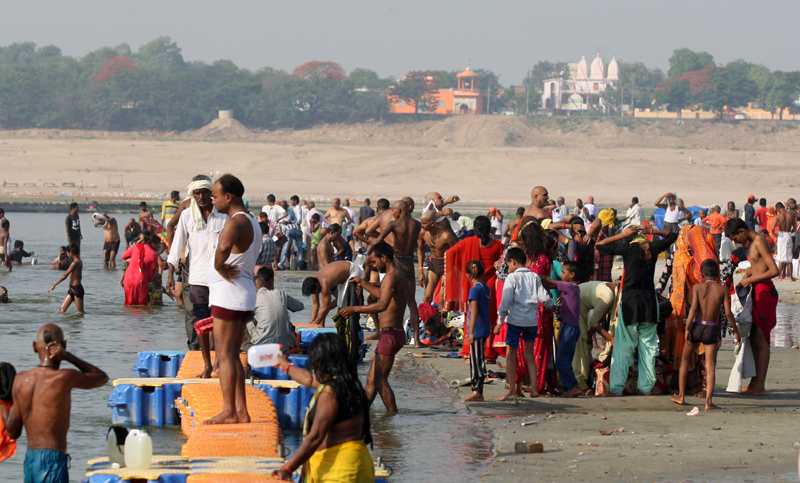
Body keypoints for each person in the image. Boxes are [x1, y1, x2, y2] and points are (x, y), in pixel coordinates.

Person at [0, 324, 108, 483]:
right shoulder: (64, 377)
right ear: (63, 345)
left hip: (30, 461)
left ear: (34, 347)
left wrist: (3, 400)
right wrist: (68, 356)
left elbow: (13, 432)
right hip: (52, 461)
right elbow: (101, 377)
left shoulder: (20, 381)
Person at [272, 333, 373, 482]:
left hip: (339, 472)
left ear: (319, 362)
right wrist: (285, 365)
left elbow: (315, 437)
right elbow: (308, 378)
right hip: (358, 464)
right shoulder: (349, 383)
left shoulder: (330, 394)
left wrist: (288, 468)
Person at [204, 174, 261, 425]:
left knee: (225, 355)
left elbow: (224, 248)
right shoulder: (251, 220)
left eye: (215, 196)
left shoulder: (234, 221)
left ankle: (229, 411)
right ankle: (241, 411)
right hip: (242, 293)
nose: (212, 201)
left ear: (229, 197)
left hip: (230, 295)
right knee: (233, 354)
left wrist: (219, 266)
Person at [596, 224, 677, 395]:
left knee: (624, 345)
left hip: (630, 300)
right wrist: (652, 231)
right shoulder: (653, 248)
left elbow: (600, 245)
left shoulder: (628, 248)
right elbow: (672, 235)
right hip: (648, 300)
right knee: (648, 346)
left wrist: (622, 235)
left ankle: (617, 387)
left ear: (630, 237)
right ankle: (646, 387)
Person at [167, 176, 228, 375]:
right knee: (201, 323)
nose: (201, 197)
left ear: (211, 193)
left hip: (220, 277)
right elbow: (176, 247)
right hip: (197, 277)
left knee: (219, 321)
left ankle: (218, 362)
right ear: (193, 195)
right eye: (197, 193)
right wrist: (169, 275)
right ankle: (207, 365)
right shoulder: (186, 216)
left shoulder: (223, 216)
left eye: (204, 192)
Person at [339, 242, 406, 412]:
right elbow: (382, 295)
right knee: (371, 379)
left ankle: (393, 417)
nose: (374, 266)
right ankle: (361, 415)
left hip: (391, 334)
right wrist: (363, 283)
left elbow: (382, 304)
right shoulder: (395, 274)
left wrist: (355, 309)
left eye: (375, 262)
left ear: (384, 258)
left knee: (380, 380)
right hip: (390, 333)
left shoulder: (392, 276)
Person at [671, 260, 739, 410]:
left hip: (696, 325)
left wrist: (688, 328)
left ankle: (681, 396)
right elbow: (728, 313)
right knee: (710, 366)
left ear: (701, 274)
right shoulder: (722, 290)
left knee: (684, 361)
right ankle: (708, 402)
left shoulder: (697, 287)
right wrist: (736, 332)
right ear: (717, 274)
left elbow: (694, 308)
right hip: (711, 328)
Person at [726, 218, 779, 396]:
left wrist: (751, 279)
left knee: (761, 339)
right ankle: (755, 382)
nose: (736, 242)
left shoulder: (759, 241)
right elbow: (760, 265)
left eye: (735, 238)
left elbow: (774, 270)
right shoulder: (753, 243)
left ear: (742, 231)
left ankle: (760, 386)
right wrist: (749, 272)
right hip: (757, 291)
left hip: (765, 292)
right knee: (755, 336)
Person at [496, 247, 553, 400]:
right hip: (531, 322)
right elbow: (545, 298)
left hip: (515, 321)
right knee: (530, 356)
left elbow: (506, 302)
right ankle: (534, 389)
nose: (508, 268)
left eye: (508, 265)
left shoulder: (511, 278)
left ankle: (513, 390)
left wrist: (499, 321)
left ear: (513, 262)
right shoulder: (534, 277)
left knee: (510, 355)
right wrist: (552, 305)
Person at [375, 200, 422, 347]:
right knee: (412, 302)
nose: (392, 213)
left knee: (391, 299)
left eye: (394, 211)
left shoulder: (394, 224)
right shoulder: (417, 224)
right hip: (409, 262)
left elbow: (378, 240)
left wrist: (388, 250)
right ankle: (417, 340)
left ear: (399, 211)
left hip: (397, 262)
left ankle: (391, 333)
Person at [540, 261, 583, 398]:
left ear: (572, 274)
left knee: (562, 359)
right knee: (564, 358)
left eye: (563, 272)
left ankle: (573, 386)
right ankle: (571, 386)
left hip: (570, 328)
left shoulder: (571, 286)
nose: (561, 274)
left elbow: (549, 281)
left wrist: (532, 274)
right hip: (569, 327)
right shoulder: (570, 289)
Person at [573, 281, 617, 393]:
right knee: (580, 342)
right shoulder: (609, 297)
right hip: (574, 304)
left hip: (579, 302)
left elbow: (598, 317)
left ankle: (586, 379)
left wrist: (590, 334)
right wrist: (611, 338)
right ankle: (580, 385)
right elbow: (594, 322)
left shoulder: (614, 290)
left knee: (586, 343)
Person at [245, 267, 304, 349]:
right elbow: (300, 306)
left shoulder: (254, 298)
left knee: (245, 317)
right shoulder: (280, 293)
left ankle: (248, 343)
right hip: (285, 343)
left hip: (261, 343)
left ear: (254, 287)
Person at [302, 260, 363, 326]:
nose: (314, 294)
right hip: (342, 275)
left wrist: (316, 322)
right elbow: (315, 304)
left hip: (353, 270)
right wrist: (312, 321)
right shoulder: (313, 282)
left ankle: (338, 328)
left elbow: (326, 308)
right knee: (336, 304)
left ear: (317, 285)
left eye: (314, 292)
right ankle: (329, 327)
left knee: (342, 304)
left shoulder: (324, 284)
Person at [463, 260, 491, 403]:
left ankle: (477, 391)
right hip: (485, 327)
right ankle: (477, 391)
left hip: (478, 329)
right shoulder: (485, 288)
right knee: (479, 360)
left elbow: (473, 312)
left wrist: (471, 332)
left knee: (476, 361)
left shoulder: (474, 289)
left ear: (468, 275)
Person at [417, 209, 457, 305]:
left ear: (432, 223)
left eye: (424, 223)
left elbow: (458, 251)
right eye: (421, 223)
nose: (421, 225)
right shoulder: (422, 233)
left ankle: (442, 318)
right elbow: (420, 250)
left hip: (446, 264)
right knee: (427, 297)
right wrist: (420, 270)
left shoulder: (445, 235)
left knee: (441, 299)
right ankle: (426, 318)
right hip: (434, 263)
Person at [121, 233, 161, 306]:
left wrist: (135, 259)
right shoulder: (154, 254)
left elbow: (123, 256)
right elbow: (152, 273)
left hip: (128, 278)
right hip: (141, 280)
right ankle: (140, 318)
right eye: (158, 244)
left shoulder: (136, 246)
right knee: (141, 305)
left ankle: (129, 317)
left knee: (129, 304)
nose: (158, 246)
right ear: (152, 243)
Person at [47, 244, 84, 314]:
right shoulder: (78, 261)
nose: (67, 255)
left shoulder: (75, 263)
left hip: (77, 289)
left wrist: (54, 285)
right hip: (72, 288)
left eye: (67, 253)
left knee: (81, 312)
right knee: (61, 310)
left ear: (71, 252)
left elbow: (65, 275)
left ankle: (80, 324)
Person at [772, 202, 796, 281]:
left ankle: (780, 276)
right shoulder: (791, 215)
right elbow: (794, 229)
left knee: (781, 257)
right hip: (788, 235)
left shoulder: (778, 216)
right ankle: (791, 277)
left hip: (781, 235)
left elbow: (772, 229)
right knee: (789, 257)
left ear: (778, 209)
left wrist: (775, 234)